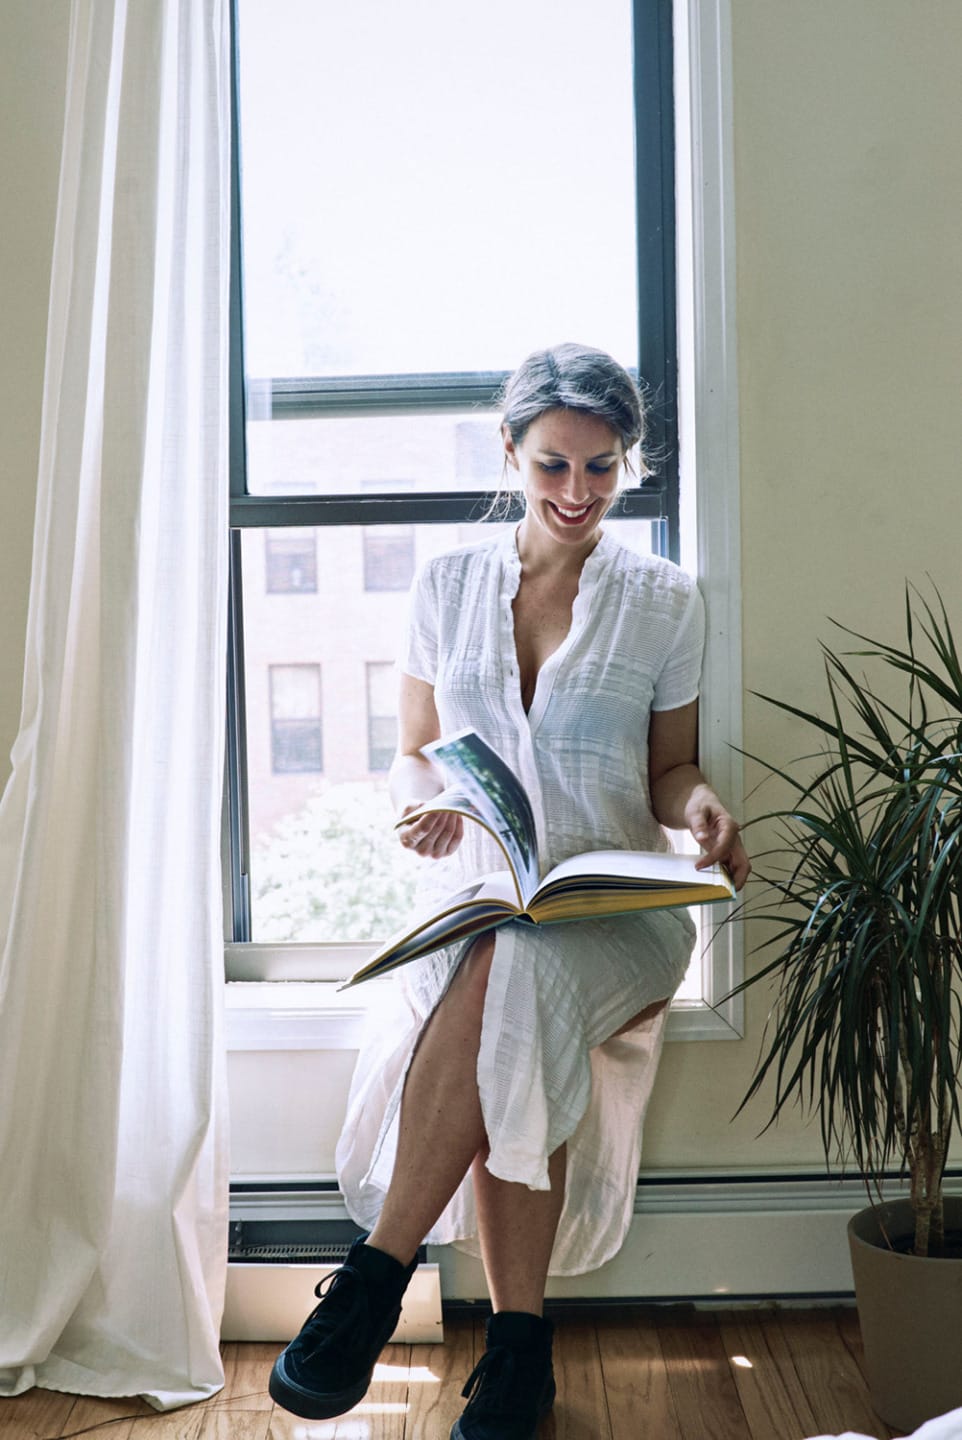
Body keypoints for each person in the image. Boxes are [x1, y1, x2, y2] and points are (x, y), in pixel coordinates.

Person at [268, 343, 751, 1439]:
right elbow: (413, 751)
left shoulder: (665, 601)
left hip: (613, 908)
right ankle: (518, 1354)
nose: (576, 493)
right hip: (489, 897)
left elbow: (666, 771)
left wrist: (703, 810)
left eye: (601, 468)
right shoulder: (446, 584)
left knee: (514, 968)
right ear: (508, 452)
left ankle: (371, 1282)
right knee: (508, 974)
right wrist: (421, 803)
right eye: (552, 465)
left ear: (627, 465)